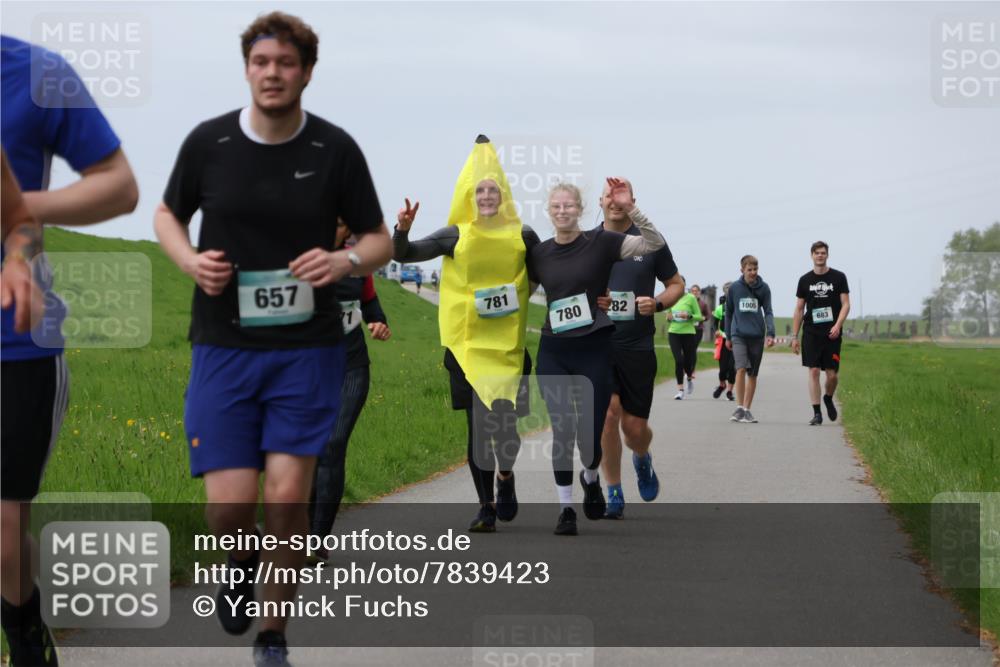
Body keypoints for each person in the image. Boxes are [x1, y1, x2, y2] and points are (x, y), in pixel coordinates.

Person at [153, 13, 391, 666]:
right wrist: (188, 261)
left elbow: (378, 239)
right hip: (223, 347)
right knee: (228, 507)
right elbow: (168, 213)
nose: (273, 73)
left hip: (306, 351)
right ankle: (238, 558)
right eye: (261, 62)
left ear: (307, 72)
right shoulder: (210, 143)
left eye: (286, 63)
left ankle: (273, 635)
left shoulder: (335, 150)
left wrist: (344, 263)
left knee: (287, 496)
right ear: (247, 69)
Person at [1, 35, 138, 667]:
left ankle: (26, 633)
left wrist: (19, 216)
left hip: (16, 343)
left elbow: (118, 186)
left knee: (4, 537)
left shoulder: (38, 74)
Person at [393, 135, 538, 533]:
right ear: (468, 196)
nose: (486, 196)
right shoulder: (454, 235)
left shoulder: (523, 236)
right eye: (479, 191)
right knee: (479, 430)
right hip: (467, 348)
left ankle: (505, 478)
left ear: (503, 194)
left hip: (508, 350)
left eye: (493, 190)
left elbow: (550, 275)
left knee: (504, 430)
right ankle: (485, 507)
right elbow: (404, 255)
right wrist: (402, 231)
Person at [529, 180, 665, 535]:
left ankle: (591, 477)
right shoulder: (539, 254)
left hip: (594, 348)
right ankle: (565, 509)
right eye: (555, 206)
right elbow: (515, 295)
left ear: (581, 209)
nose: (562, 211)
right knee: (562, 429)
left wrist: (629, 207)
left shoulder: (601, 242)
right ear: (548, 210)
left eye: (569, 205)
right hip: (553, 350)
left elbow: (654, 243)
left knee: (590, 435)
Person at [594, 178, 682, 519]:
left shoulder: (649, 242)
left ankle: (642, 457)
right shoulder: (588, 242)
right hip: (599, 342)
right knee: (607, 416)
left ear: (632, 201)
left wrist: (656, 304)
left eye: (622, 197)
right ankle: (613, 491)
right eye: (609, 196)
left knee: (633, 429)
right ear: (599, 202)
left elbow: (676, 284)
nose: (615, 202)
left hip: (637, 345)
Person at [308, 221, 391, 562]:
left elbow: (369, 301)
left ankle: (316, 538)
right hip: (307, 370)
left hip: (351, 367)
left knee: (332, 444)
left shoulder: (357, 262)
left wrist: (379, 322)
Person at [791, 241, 850, 425]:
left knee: (832, 375)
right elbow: (799, 309)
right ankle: (817, 413)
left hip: (832, 333)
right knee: (814, 370)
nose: (820, 256)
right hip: (811, 332)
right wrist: (794, 336)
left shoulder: (839, 277)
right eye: (817, 253)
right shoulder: (805, 280)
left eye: (823, 253)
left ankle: (828, 397)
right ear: (811, 255)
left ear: (827, 255)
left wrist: (838, 325)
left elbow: (846, 304)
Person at [724, 256, 775, 424]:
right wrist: (728, 336)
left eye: (755, 269)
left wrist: (770, 333)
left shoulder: (764, 288)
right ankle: (739, 407)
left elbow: (768, 311)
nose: (753, 273)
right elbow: (729, 312)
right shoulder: (734, 288)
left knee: (752, 374)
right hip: (738, 334)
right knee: (740, 368)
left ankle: (746, 409)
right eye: (749, 270)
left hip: (757, 336)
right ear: (742, 270)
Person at [665, 278, 705, 400]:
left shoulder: (691, 298)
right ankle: (680, 390)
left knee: (688, 361)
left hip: (688, 333)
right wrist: (669, 317)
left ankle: (689, 377)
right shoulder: (670, 297)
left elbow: (699, 317)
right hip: (674, 332)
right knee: (679, 360)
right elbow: (668, 316)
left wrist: (689, 316)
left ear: (683, 285)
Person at [712, 282, 736, 401]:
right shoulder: (720, 308)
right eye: (727, 290)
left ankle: (730, 391)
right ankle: (722, 384)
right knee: (722, 370)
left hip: (736, 340)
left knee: (732, 368)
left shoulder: (738, 307)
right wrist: (716, 331)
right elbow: (713, 323)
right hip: (723, 340)